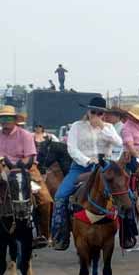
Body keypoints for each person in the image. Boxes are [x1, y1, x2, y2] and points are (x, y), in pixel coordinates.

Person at [50, 96, 123, 250]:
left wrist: (102, 127)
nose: (97, 115)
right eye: (94, 112)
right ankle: (60, 235)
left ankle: (127, 235)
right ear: (88, 111)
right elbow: (72, 148)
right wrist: (87, 161)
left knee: (126, 194)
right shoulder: (77, 126)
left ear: (104, 114)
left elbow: (119, 143)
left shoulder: (109, 128)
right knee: (60, 196)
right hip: (81, 167)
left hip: (105, 167)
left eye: (101, 113)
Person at [0, 106, 52, 245]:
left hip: (27, 169)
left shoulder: (26, 135)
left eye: (8, 118)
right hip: (2, 169)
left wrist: (14, 168)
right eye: (2, 118)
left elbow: (29, 157)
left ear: (15, 120)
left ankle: (44, 235)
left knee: (45, 200)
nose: (5, 121)